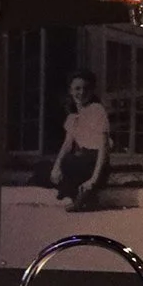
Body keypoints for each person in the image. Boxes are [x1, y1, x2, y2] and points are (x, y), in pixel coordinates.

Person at [50, 69, 111, 211]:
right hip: (82, 161)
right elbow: (67, 145)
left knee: (69, 162)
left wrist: (94, 179)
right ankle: (85, 199)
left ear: (92, 91)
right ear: (70, 91)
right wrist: (56, 167)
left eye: (86, 89)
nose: (82, 92)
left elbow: (104, 149)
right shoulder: (72, 117)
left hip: (96, 163)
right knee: (44, 168)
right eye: (77, 88)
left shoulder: (97, 110)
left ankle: (83, 198)